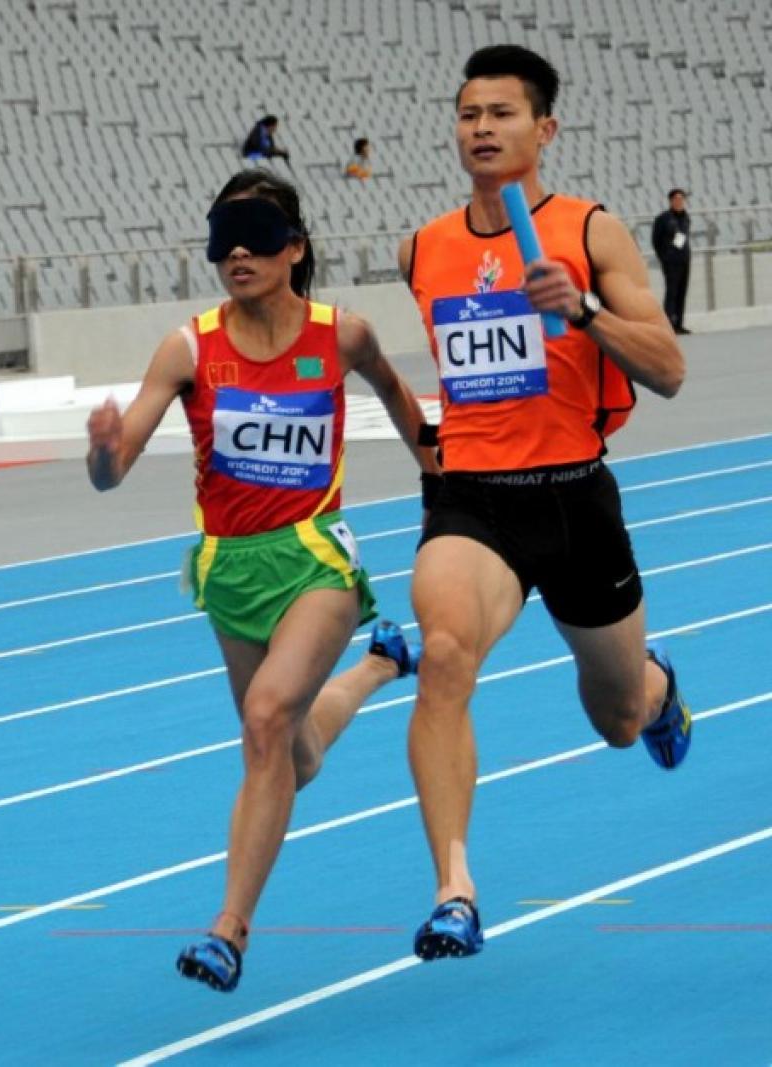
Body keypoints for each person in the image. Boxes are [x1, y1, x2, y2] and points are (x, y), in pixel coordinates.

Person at [86, 168, 434, 992]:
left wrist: (445, 481)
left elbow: (396, 396)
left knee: (268, 716)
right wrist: (103, 449)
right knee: (295, 750)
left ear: (295, 248)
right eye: (223, 238)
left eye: (255, 234)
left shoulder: (340, 334)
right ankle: (381, 666)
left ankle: (229, 928)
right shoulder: (188, 346)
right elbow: (115, 468)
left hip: (315, 555)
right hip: (229, 569)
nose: (237, 251)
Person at [398, 45, 693, 961]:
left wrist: (584, 314)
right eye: (468, 113)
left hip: (575, 499)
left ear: (545, 129)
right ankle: (455, 887)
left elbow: (671, 371)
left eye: (502, 114)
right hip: (477, 503)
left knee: (617, 720)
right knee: (443, 652)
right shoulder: (424, 246)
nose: (481, 128)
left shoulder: (590, 230)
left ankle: (658, 686)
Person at [651, 189, 692, 334]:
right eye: (677, 199)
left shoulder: (686, 218)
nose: (680, 202)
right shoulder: (663, 219)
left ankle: (679, 323)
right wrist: (664, 257)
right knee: (671, 292)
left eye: (682, 199)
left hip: (684, 259)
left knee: (682, 291)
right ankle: (669, 324)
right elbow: (656, 241)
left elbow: (684, 238)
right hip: (671, 261)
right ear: (671, 201)